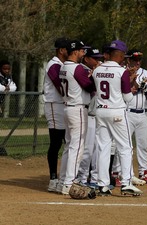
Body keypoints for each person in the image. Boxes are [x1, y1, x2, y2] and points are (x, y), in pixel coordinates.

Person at [91, 40, 143, 196]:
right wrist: (131, 83)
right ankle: (126, 182)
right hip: (117, 112)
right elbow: (127, 97)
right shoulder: (122, 72)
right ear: (119, 55)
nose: (124, 59)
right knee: (125, 147)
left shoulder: (97, 70)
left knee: (103, 147)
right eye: (123, 56)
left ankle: (102, 184)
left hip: (101, 111)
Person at [57, 40, 95, 194]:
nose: (83, 53)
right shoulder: (77, 68)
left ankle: (62, 182)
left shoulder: (63, 66)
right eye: (81, 50)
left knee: (69, 146)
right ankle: (69, 183)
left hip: (67, 107)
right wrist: (92, 77)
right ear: (75, 51)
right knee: (77, 147)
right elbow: (90, 86)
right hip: (77, 108)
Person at [125, 49, 147, 183]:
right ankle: (122, 173)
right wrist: (134, 85)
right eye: (134, 59)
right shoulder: (122, 72)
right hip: (127, 112)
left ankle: (143, 172)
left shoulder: (146, 73)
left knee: (143, 145)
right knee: (126, 145)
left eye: (139, 60)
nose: (137, 62)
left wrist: (145, 88)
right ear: (128, 60)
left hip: (143, 113)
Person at [73, 47, 103, 188]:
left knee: (98, 149)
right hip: (88, 113)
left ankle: (95, 178)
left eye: (99, 58)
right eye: (95, 58)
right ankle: (82, 177)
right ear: (86, 58)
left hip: (100, 114)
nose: (98, 61)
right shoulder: (81, 70)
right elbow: (88, 87)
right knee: (88, 149)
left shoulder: (97, 71)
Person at [43, 37, 69, 192]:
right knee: (56, 142)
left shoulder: (63, 65)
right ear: (61, 50)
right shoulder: (53, 65)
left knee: (66, 141)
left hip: (63, 105)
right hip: (54, 105)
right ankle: (53, 178)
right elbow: (60, 86)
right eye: (68, 49)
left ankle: (64, 177)